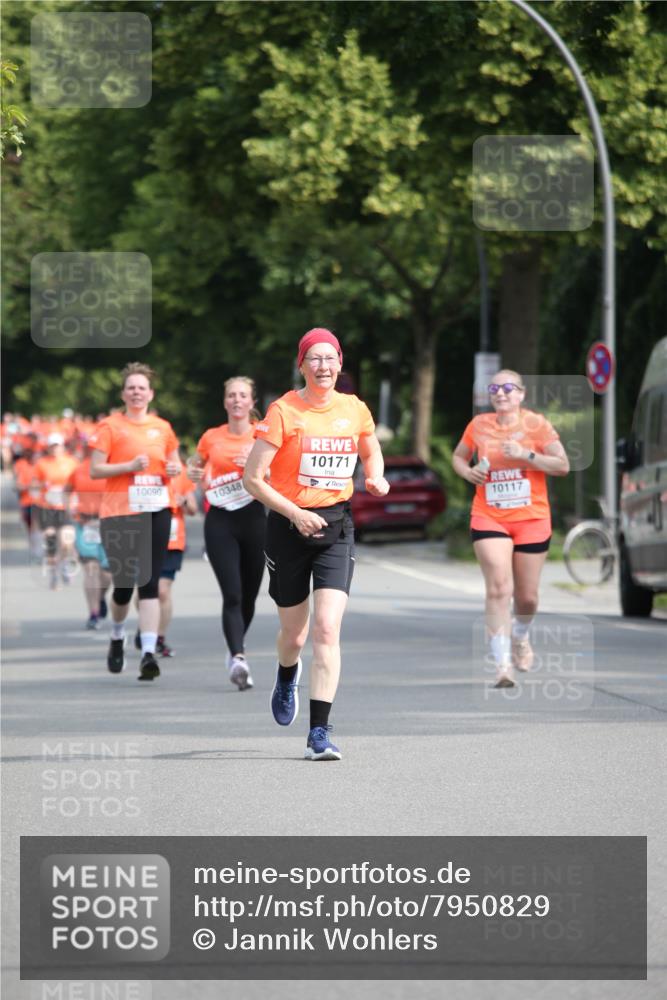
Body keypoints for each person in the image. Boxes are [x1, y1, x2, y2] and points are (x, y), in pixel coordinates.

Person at [243, 328, 389, 760]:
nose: (323, 367)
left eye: (330, 358)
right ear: (301, 365)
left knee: (327, 628)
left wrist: (376, 474)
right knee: (295, 633)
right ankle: (287, 675)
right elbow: (252, 479)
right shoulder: (283, 411)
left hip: (336, 527)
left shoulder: (354, 408)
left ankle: (319, 733)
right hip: (289, 528)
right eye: (314, 359)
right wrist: (293, 512)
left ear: (340, 363)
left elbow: (370, 449)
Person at [452, 370, 570, 687]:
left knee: (527, 598)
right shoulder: (478, 425)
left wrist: (527, 455)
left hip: (532, 517)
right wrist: (468, 472)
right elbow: (458, 457)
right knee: (499, 587)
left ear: (521, 394)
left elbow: (562, 465)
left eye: (508, 388)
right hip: (489, 515)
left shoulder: (537, 425)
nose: (501, 393)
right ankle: (502, 665)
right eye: (495, 388)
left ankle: (520, 635)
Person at [89, 363, 181, 681]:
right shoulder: (110, 426)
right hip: (119, 513)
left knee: (150, 582)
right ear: (124, 393)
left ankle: (147, 653)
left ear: (151, 394)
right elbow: (95, 469)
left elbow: (175, 464)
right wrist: (128, 465)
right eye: (131, 387)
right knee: (125, 586)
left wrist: (173, 470)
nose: (137, 392)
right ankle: (117, 635)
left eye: (142, 387)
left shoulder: (163, 428)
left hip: (156, 508)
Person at [188, 377, 266, 691]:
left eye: (242, 395)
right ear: (225, 402)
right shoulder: (211, 437)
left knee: (249, 595)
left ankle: (236, 645)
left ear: (251, 402)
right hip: (220, 519)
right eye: (231, 395)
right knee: (232, 593)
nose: (236, 400)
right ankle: (238, 656)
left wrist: (257, 466)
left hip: (254, 518)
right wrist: (193, 473)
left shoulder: (262, 435)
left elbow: (280, 475)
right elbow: (195, 466)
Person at [134, 456, 197, 656]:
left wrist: (183, 500)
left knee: (162, 591)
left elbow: (193, 509)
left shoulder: (183, 473)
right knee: (145, 589)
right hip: (146, 539)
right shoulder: (145, 471)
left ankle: (159, 636)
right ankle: (148, 622)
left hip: (173, 542)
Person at [66, 444, 112, 630]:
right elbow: (67, 489)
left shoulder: (113, 467)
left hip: (109, 524)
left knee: (107, 575)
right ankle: (93, 613)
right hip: (85, 524)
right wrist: (69, 509)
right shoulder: (79, 469)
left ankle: (100, 597)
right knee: (91, 568)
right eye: (91, 448)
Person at [31, 432, 79, 588]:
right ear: (48, 447)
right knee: (50, 541)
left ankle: (64, 564)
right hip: (47, 507)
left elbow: (78, 483)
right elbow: (34, 485)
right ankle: (53, 573)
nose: (55, 449)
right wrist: (40, 487)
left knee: (66, 542)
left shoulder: (71, 462)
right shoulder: (41, 463)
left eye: (57, 445)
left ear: (62, 446)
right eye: (52, 446)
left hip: (65, 507)